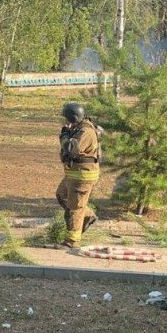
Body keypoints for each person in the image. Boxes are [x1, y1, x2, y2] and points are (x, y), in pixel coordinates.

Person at [55, 101, 100, 248]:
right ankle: (87, 216)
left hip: (82, 177)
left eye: (67, 119)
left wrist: (64, 136)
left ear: (73, 118)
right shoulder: (78, 128)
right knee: (62, 195)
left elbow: (71, 148)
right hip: (74, 174)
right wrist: (68, 133)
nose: (65, 122)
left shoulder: (86, 131)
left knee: (74, 209)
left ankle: (72, 241)